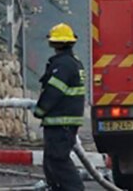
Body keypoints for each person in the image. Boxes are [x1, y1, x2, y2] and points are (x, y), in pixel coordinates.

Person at [34, 23, 86, 191]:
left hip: (60, 122)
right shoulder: (73, 62)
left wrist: (40, 110)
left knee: (58, 160)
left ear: (54, 43)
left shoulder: (63, 65)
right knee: (51, 160)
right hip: (64, 122)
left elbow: (53, 92)